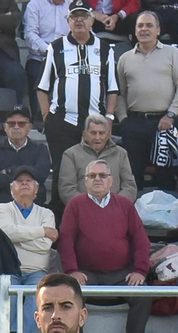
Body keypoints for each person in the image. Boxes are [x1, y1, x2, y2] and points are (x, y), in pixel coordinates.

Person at [58, 161, 151, 333]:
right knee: (71, 293)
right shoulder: (75, 205)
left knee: (144, 294)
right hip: (86, 275)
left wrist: (140, 271)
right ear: (85, 181)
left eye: (102, 175)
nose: (97, 179)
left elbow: (141, 240)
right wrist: (72, 271)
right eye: (92, 176)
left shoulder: (125, 205)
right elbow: (65, 240)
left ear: (111, 180)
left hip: (120, 275)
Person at [36, 0, 118, 191]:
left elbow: (113, 89)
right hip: (62, 122)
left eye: (83, 16)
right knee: (61, 172)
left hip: (95, 124)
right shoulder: (55, 47)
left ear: (92, 20)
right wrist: (47, 116)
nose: (79, 20)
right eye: (74, 16)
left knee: (93, 174)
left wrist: (109, 119)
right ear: (68, 20)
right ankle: (59, 216)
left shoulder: (105, 48)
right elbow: (42, 87)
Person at [113, 12, 178, 192]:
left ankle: (167, 218)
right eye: (140, 25)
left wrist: (171, 114)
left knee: (166, 177)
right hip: (134, 124)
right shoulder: (124, 59)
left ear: (158, 30)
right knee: (132, 177)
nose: (144, 29)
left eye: (149, 25)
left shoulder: (172, 53)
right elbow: (119, 94)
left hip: (164, 123)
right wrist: (123, 120)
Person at [0, 168, 55, 323]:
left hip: (37, 272)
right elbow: (5, 233)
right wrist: (42, 231)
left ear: (37, 189)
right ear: (11, 188)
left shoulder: (47, 214)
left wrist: (15, 240)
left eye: (29, 181)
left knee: (36, 299)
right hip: (10, 270)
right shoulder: (2, 209)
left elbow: (45, 245)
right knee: (9, 297)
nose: (24, 184)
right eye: (20, 181)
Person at [56, 114, 136, 205]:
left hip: (116, 210)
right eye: (93, 133)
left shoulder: (121, 154)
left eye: (101, 133)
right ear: (84, 134)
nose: (97, 138)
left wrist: (114, 205)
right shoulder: (70, 154)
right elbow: (66, 189)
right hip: (83, 211)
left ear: (109, 134)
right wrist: (89, 206)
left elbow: (130, 187)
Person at [0, 106, 50, 202]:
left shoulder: (40, 149)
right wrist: (27, 176)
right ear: (4, 127)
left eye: (21, 124)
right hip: (2, 205)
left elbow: (41, 176)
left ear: (29, 127)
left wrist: (9, 170)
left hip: (34, 205)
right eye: (11, 123)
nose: (16, 127)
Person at [21, 0, 69, 124]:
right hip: (41, 57)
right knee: (36, 73)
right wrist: (50, 50)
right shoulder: (35, 5)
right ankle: (39, 119)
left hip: (69, 57)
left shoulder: (73, 5)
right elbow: (30, 35)